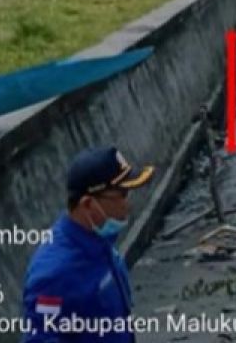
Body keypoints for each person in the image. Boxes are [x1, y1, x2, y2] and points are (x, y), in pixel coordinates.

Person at [20, 146, 154, 342]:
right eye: (122, 195)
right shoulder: (54, 275)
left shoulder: (100, 241)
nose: (128, 205)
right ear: (89, 205)